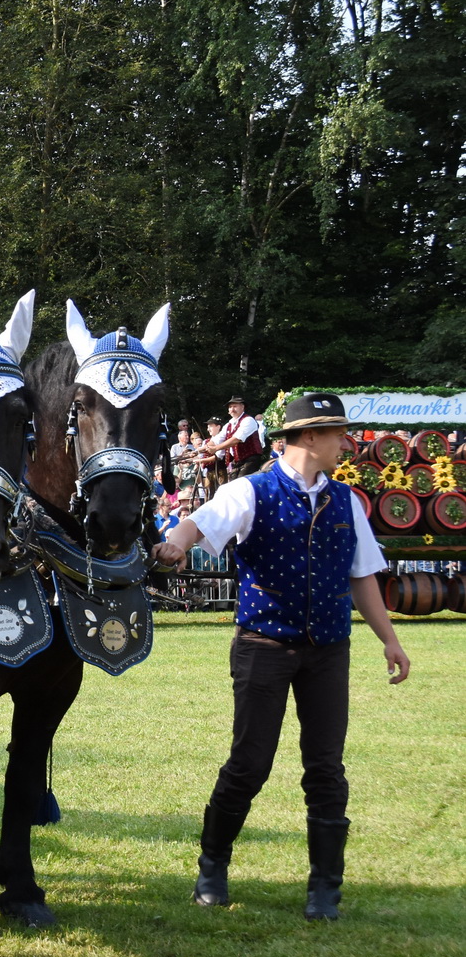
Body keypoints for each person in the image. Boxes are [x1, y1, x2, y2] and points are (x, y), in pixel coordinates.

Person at [153, 391, 411, 922]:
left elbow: (362, 576)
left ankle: (325, 887)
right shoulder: (252, 490)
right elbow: (198, 523)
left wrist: (390, 639)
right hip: (263, 647)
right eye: (338, 433)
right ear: (310, 437)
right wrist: (175, 544)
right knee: (250, 764)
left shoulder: (346, 502)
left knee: (325, 768)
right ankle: (212, 866)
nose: (346, 443)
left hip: (328, 650)